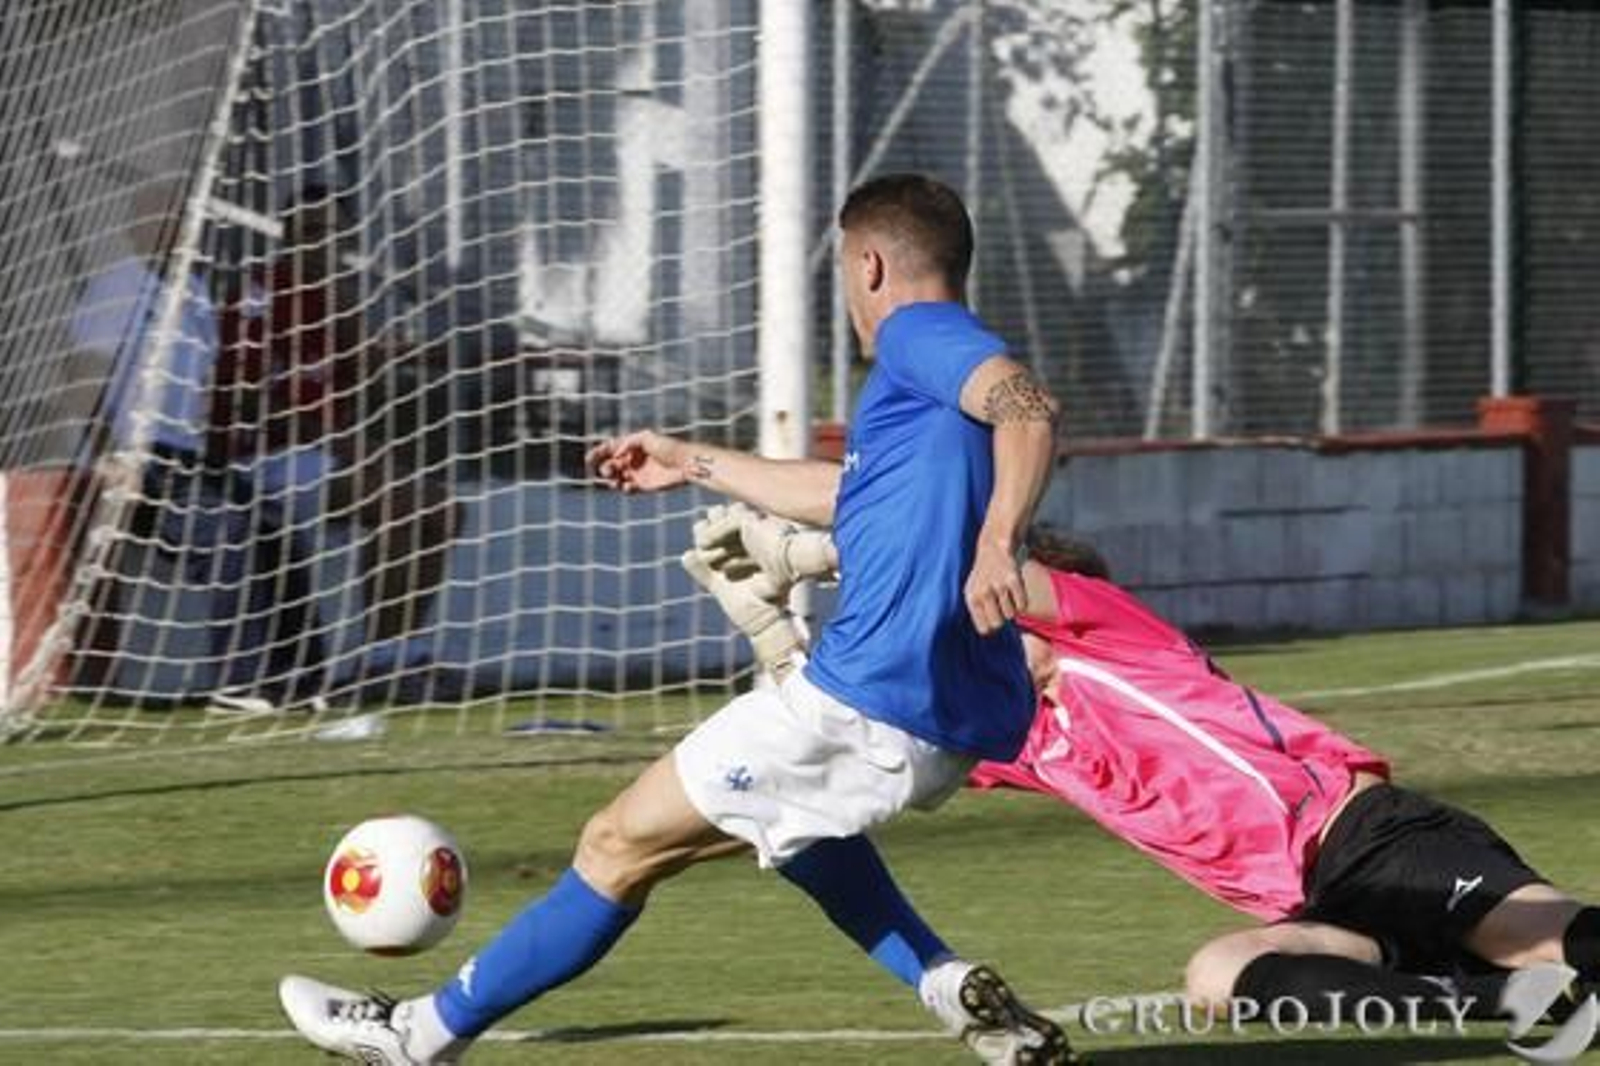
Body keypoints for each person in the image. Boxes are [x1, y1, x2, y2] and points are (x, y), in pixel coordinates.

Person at [276, 173, 1077, 1065]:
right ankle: (945, 983)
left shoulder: (918, 336)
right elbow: (846, 495)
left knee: (615, 845)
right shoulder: (930, 385)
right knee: (794, 827)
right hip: (945, 708)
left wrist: (998, 542)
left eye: (845, 273)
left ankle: (416, 1036)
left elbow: (1027, 406)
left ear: (870, 264)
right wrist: (689, 460)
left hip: (869, 694)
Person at [696, 513, 1600, 1025]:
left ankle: (1539, 980)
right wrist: (773, 630)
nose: (971, 636)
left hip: (1373, 839)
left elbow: (947, 563)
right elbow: (841, 743)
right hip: (1323, 905)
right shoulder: (1015, 736)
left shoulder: (1111, 634)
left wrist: (817, 550)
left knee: (1557, 938)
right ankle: (1498, 1003)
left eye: (988, 617)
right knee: (1219, 975)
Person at [68, 177, 321, 703]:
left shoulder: (193, 289)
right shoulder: (118, 288)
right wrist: (110, 457)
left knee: (276, 524)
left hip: (189, 457)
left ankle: (300, 679)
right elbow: (79, 379)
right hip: (136, 457)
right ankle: (242, 681)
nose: (181, 229)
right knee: (227, 534)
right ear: (135, 227)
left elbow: (200, 388)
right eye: (166, 219)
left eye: (186, 220)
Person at [219, 185, 463, 701]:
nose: (321, 244)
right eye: (309, 233)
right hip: (260, 458)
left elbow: (368, 358)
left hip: (318, 454)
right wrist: (345, 446)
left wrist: (478, 353)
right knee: (402, 507)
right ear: (287, 237)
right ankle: (379, 664)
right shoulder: (260, 295)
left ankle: (402, 653)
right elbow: (246, 400)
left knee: (443, 509)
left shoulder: (336, 299)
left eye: (332, 234)